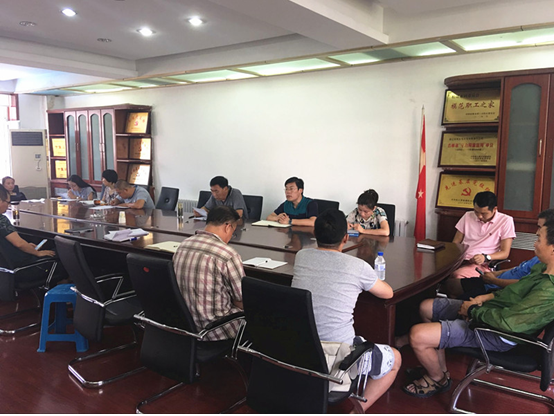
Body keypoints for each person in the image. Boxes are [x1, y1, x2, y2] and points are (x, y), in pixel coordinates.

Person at [403, 219, 554, 399]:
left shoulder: (548, 290)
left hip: (497, 333)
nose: (534, 243)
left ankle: (437, 379)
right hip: (490, 311)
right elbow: (513, 292)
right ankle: (439, 368)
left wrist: (472, 311)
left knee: (417, 335)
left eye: (539, 239)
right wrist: (486, 297)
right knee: (426, 307)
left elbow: (509, 323)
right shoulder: (541, 268)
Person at [291, 209, 400, 411]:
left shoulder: (301, 256)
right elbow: (388, 293)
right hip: (338, 359)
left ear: (314, 234)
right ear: (345, 238)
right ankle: (355, 412)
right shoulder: (357, 266)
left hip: (299, 351)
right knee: (396, 359)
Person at [173, 206, 244, 341]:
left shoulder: (183, 245)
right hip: (215, 330)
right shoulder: (227, 254)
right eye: (233, 232)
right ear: (228, 227)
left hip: (184, 325)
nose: (231, 237)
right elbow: (241, 300)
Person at [458, 208, 554, 300]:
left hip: (498, 289)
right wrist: (497, 273)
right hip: (493, 280)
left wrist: (494, 281)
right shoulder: (539, 258)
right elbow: (520, 268)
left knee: (458, 299)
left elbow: (524, 285)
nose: (537, 232)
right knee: (452, 285)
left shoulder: (546, 265)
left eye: (540, 227)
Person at [443, 191, 516, 297]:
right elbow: (455, 243)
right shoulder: (468, 216)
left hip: (482, 264)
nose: (479, 216)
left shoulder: (506, 221)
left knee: (456, 277)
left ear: (494, 209)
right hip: (461, 260)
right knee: (438, 274)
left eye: (484, 213)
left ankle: (457, 304)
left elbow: (505, 253)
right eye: (476, 212)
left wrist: (485, 257)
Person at [0, 185, 55, 267]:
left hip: (4, 267)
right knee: (57, 254)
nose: (8, 206)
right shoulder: (2, 220)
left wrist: (27, 246)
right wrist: (37, 253)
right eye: (8, 202)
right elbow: (19, 244)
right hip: (21, 265)